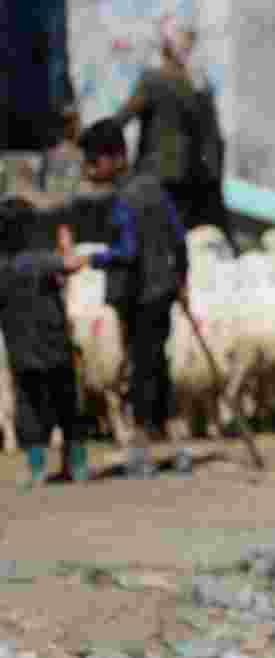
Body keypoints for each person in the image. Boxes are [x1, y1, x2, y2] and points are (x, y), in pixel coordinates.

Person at [78, 118, 190, 478]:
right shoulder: (154, 188)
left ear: (113, 158)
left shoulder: (125, 198)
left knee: (141, 373)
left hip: (140, 297)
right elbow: (178, 237)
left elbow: (127, 252)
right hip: (163, 293)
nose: (90, 170)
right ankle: (178, 447)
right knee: (158, 368)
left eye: (93, 162)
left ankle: (142, 453)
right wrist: (181, 283)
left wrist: (92, 258)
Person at [113, 14, 239, 256]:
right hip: (191, 174)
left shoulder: (154, 80)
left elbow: (124, 116)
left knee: (153, 236)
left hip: (156, 173)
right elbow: (213, 135)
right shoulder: (197, 83)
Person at [0, 198, 89, 488]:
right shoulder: (39, 259)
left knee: (29, 407)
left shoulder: (5, 266)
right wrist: (66, 244)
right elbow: (73, 265)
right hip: (54, 345)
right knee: (67, 404)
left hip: (20, 348)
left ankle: (36, 471)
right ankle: (76, 467)